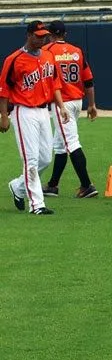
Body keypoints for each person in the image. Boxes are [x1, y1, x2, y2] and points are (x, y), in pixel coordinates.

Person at [0, 21, 69, 215]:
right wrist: (4, 116)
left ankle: (18, 186)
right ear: (29, 35)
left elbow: (54, 82)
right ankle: (37, 205)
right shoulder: (14, 59)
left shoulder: (48, 55)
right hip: (24, 112)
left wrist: (62, 106)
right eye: (38, 35)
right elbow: (4, 91)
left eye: (44, 35)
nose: (42, 38)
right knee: (30, 159)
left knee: (45, 158)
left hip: (43, 111)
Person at [41, 20, 98, 198]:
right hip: (76, 101)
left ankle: (87, 185)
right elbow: (88, 80)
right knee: (60, 145)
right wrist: (92, 104)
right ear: (64, 34)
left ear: (50, 34)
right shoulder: (76, 51)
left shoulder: (47, 51)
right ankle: (53, 185)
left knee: (71, 143)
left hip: (61, 103)